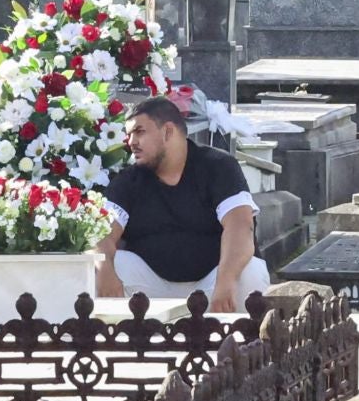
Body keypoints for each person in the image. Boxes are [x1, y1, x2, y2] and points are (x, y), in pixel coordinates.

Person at [95, 96, 271, 313]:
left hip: (214, 285)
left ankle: (239, 344)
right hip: (150, 292)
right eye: (129, 134)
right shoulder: (128, 180)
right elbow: (102, 231)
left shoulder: (218, 166)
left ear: (168, 131)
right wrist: (104, 269)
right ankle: (131, 344)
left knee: (249, 271)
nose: (131, 142)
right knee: (105, 264)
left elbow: (240, 226)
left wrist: (225, 282)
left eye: (139, 132)